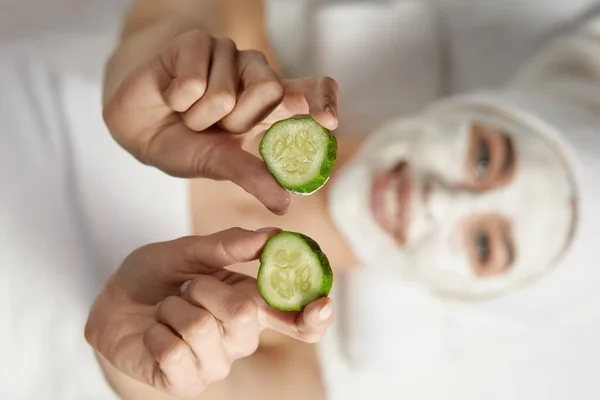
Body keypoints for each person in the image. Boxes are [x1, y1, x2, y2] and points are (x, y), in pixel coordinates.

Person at [2, 0, 600, 399]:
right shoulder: (233, 41)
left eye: (484, 244)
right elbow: (165, 28)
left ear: (468, 292)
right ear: (472, 107)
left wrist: (127, 338)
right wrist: (152, 70)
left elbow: (156, 385)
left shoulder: (290, 369)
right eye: (485, 158)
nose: (440, 203)